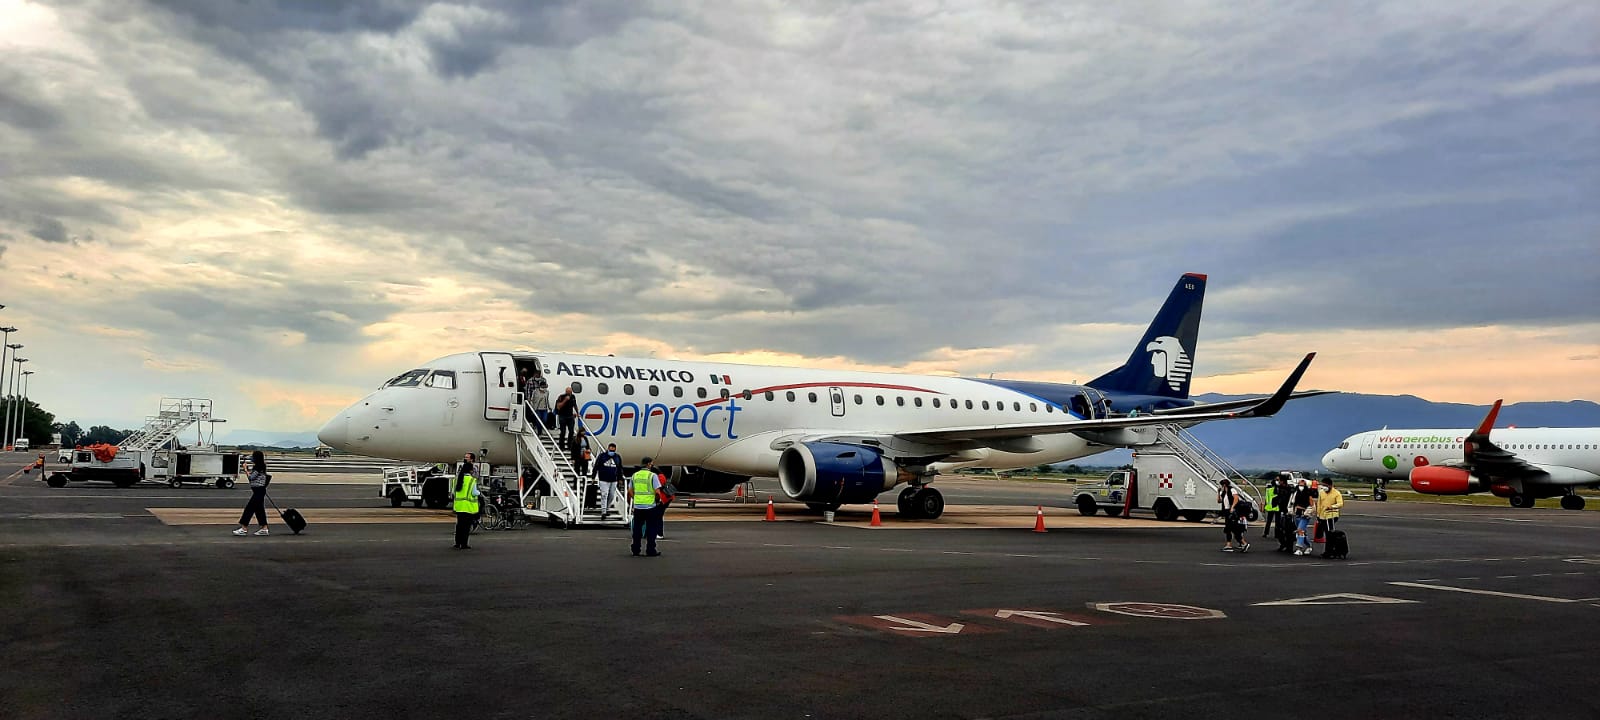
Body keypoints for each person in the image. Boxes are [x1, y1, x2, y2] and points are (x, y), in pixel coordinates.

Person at [628, 457, 665, 557]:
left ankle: (635, 549)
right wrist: (657, 501)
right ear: (648, 464)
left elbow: (630, 491)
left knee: (637, 529)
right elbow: (657, 492)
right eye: (652, 464)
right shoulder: (652, 476)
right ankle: (650, 550)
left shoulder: (635, 475)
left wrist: (636, 498)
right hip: (650, 507)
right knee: (651, 529)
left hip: (638, 506)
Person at [233, 450, 271, 536]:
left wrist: (245, 469)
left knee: (249, 509)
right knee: (259, 510)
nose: (252, 458)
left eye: (253, 457)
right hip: (259, 491)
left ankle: (244, 528)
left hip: (258, 491)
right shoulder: (260, 466)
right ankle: (264, 528)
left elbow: (251, 477)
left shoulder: (258, 467)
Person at [453, 453, 480, 550]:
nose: (465, 458)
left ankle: (457, 543)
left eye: (467, 457)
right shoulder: (471, 480)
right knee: (466, 526)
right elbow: (474, 492)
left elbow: (454, 491)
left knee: (459, 525)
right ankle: (464, 544)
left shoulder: (457, 479)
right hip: (468, 506)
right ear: (471, 470)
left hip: (459, 505)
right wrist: (479, 493)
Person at [1217, 479, 1249, 552]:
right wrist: (1218, 492)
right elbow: (1219, 501)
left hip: (1232, 512)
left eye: (1221, 485)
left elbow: (1236, 498)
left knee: (1233, 528)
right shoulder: (1224, 492)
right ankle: (1230, 544)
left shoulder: (1232, 490)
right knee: (1228, 528)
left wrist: (1232, 507)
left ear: (1224, 485)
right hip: (1226, 511)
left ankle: (1243, 543)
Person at [1315, 478, 1345, 558]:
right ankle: (1330, 551)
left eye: (1325, 485)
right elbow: (1319, 504)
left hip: (1331, 515)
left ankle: (1329, 552)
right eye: (1323, 485)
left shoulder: (1336, 493)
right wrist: (1318, 515)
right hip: (1322, 516)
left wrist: (1332, 507)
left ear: (1330, 485)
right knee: (1326, 533)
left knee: (1329, 534)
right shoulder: (1321, 493)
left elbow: (1340, 504)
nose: (1324, 487)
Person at [594, 442, 624, 519]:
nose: (612, 452)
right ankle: (603, 512)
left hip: (613, 479)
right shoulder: (602, 456)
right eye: (611, 450)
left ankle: (607, 509)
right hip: (603, 479)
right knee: (604, 494)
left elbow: (620, 468)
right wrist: (593, 477)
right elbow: (596, 466)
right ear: (608, 449)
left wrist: (620, 478)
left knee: (611, 495)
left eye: (613, 451)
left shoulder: (617, 457)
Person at [1290, 477, 1316, 556]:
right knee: (1301, 531)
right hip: (1296, 514)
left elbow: (1312, 506)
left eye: (1303, 485)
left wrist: (1307, 513)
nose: (1301, 487)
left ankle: (1299, 548)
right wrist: (1291, 511)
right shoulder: (1295, 493)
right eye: (1299, 485)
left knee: (1300, 530)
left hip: (1304, 515)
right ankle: (1309, 546)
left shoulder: (1308, 495)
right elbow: (1292, 503)